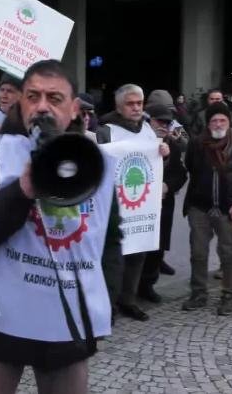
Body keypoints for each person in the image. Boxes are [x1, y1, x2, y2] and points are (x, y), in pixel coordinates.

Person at [0, 59, 122, 393]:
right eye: (33, 96)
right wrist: (22, 190)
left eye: (54, 98)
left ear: (74, 108)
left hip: (65, 326)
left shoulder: (94, 166)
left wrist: (104, 308)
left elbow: (110, 241)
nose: (42, 106)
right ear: (21, 103)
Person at [96, 83, 166, 322]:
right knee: (113, 258)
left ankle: (129, 300)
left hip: (140, 206)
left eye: (140, 103)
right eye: (130, 103)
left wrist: (162, 153)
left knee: (138, 253)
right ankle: (109, 305)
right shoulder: (106, 131)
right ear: (119, 106)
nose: (136, 108)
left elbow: (152, 164)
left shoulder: (148, 129)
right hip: (114, 206)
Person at [181, 102, 232, 316]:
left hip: (228, 208)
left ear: (228, 121)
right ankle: (198, 293)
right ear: (208, 123)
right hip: (200, 206)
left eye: (222, 120)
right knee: (198, 252)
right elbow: (190, 167)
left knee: (229, 253)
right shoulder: (197, 143)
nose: (218, 123)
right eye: (214, 120)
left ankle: (229, 295)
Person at [138, 104, 188, 303]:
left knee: (157, 247)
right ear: (148, 121)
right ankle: (128, 289)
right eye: (159, 121)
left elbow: (181, 174)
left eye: (168, 122)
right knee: (137, 248)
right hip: (138, 206)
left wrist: (168, 185)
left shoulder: (172, 145)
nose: (164, 125)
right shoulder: (137, 143)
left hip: (163, 206)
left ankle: (148, 285)